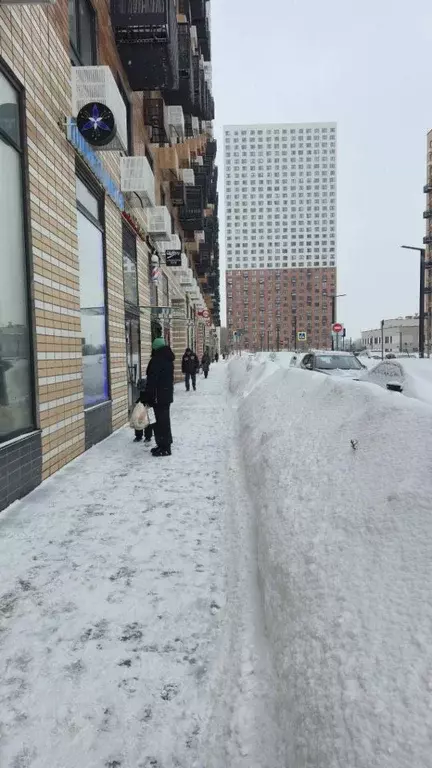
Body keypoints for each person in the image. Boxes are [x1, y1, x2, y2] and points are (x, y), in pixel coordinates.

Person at [142, 337, 175, 457]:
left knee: (159, 422)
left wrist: (147, 396)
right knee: (164, 421)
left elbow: (152, 381)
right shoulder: (167, 358)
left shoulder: (157, 360)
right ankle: (163, 445)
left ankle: (164, 447)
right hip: (165, 395)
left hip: (158, 396)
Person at [133, 376, 154, 443]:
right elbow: (141, 397)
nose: (141, 391)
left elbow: (152, 399)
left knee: (148, 423)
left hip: (148, 407)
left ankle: (148, 437)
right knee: (138, 421)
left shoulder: (150, 389)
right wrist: (137, 402)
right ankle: (138, 436)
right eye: (140, 390)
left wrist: (149, 405)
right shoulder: (142, 388)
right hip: (141, 406)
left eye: (142, 389)